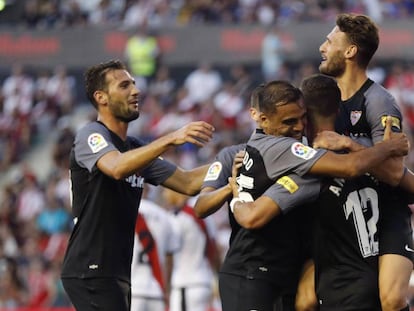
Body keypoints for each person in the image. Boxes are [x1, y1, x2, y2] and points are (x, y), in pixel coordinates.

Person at [222, 80, 408, 311]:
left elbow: (248, 214)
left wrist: (236, 195)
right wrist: (388, 148)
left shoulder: (308, 170)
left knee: (304, 300)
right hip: (263, 273)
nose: (299, 127)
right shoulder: (360, 157)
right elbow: (359, 169)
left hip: (307, 280)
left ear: (306, 112)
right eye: (291, 121)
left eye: (301, 119)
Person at [60, 59, 215, 311]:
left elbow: (189, 182)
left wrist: (239, 160)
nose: (136, 90)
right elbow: (117, 167)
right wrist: (171, 138)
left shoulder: (135, 149)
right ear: (102, 97)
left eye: (133, 84)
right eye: (124, 85)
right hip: (90, 268)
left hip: (118, 272)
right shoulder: (90, 134)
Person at [319, 13, 414, 311]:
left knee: (392, 298)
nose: (322, 47)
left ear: (350, 52)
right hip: (344, 216)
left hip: (386, 213)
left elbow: (395, 171)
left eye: (329, 41)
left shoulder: (378, 101)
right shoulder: (323, 103)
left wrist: (348, 144)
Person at [162, 188, 220, 311]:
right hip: (203, 281)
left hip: (185, 283)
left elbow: (169, 257)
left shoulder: (175, 218)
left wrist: (165, 287)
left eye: (166, 191)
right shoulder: (202, 211)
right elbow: (214, 248)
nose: (164, 195)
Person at [131, 197, 178, 311]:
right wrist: (166, 290)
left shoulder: (126, 210)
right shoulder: (164, 216)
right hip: (157, 290)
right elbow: (169, 259)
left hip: (133, 290)